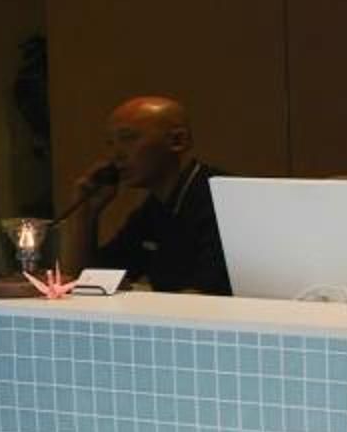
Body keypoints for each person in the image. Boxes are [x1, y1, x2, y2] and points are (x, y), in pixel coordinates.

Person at [60, 94, 230, 295]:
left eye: (128, 138)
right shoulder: (154, 208)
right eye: (110, 143)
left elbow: (203, 296)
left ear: (178, 141)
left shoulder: (222, 200)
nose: (115, 155)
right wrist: (85, 215)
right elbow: (84, 282)